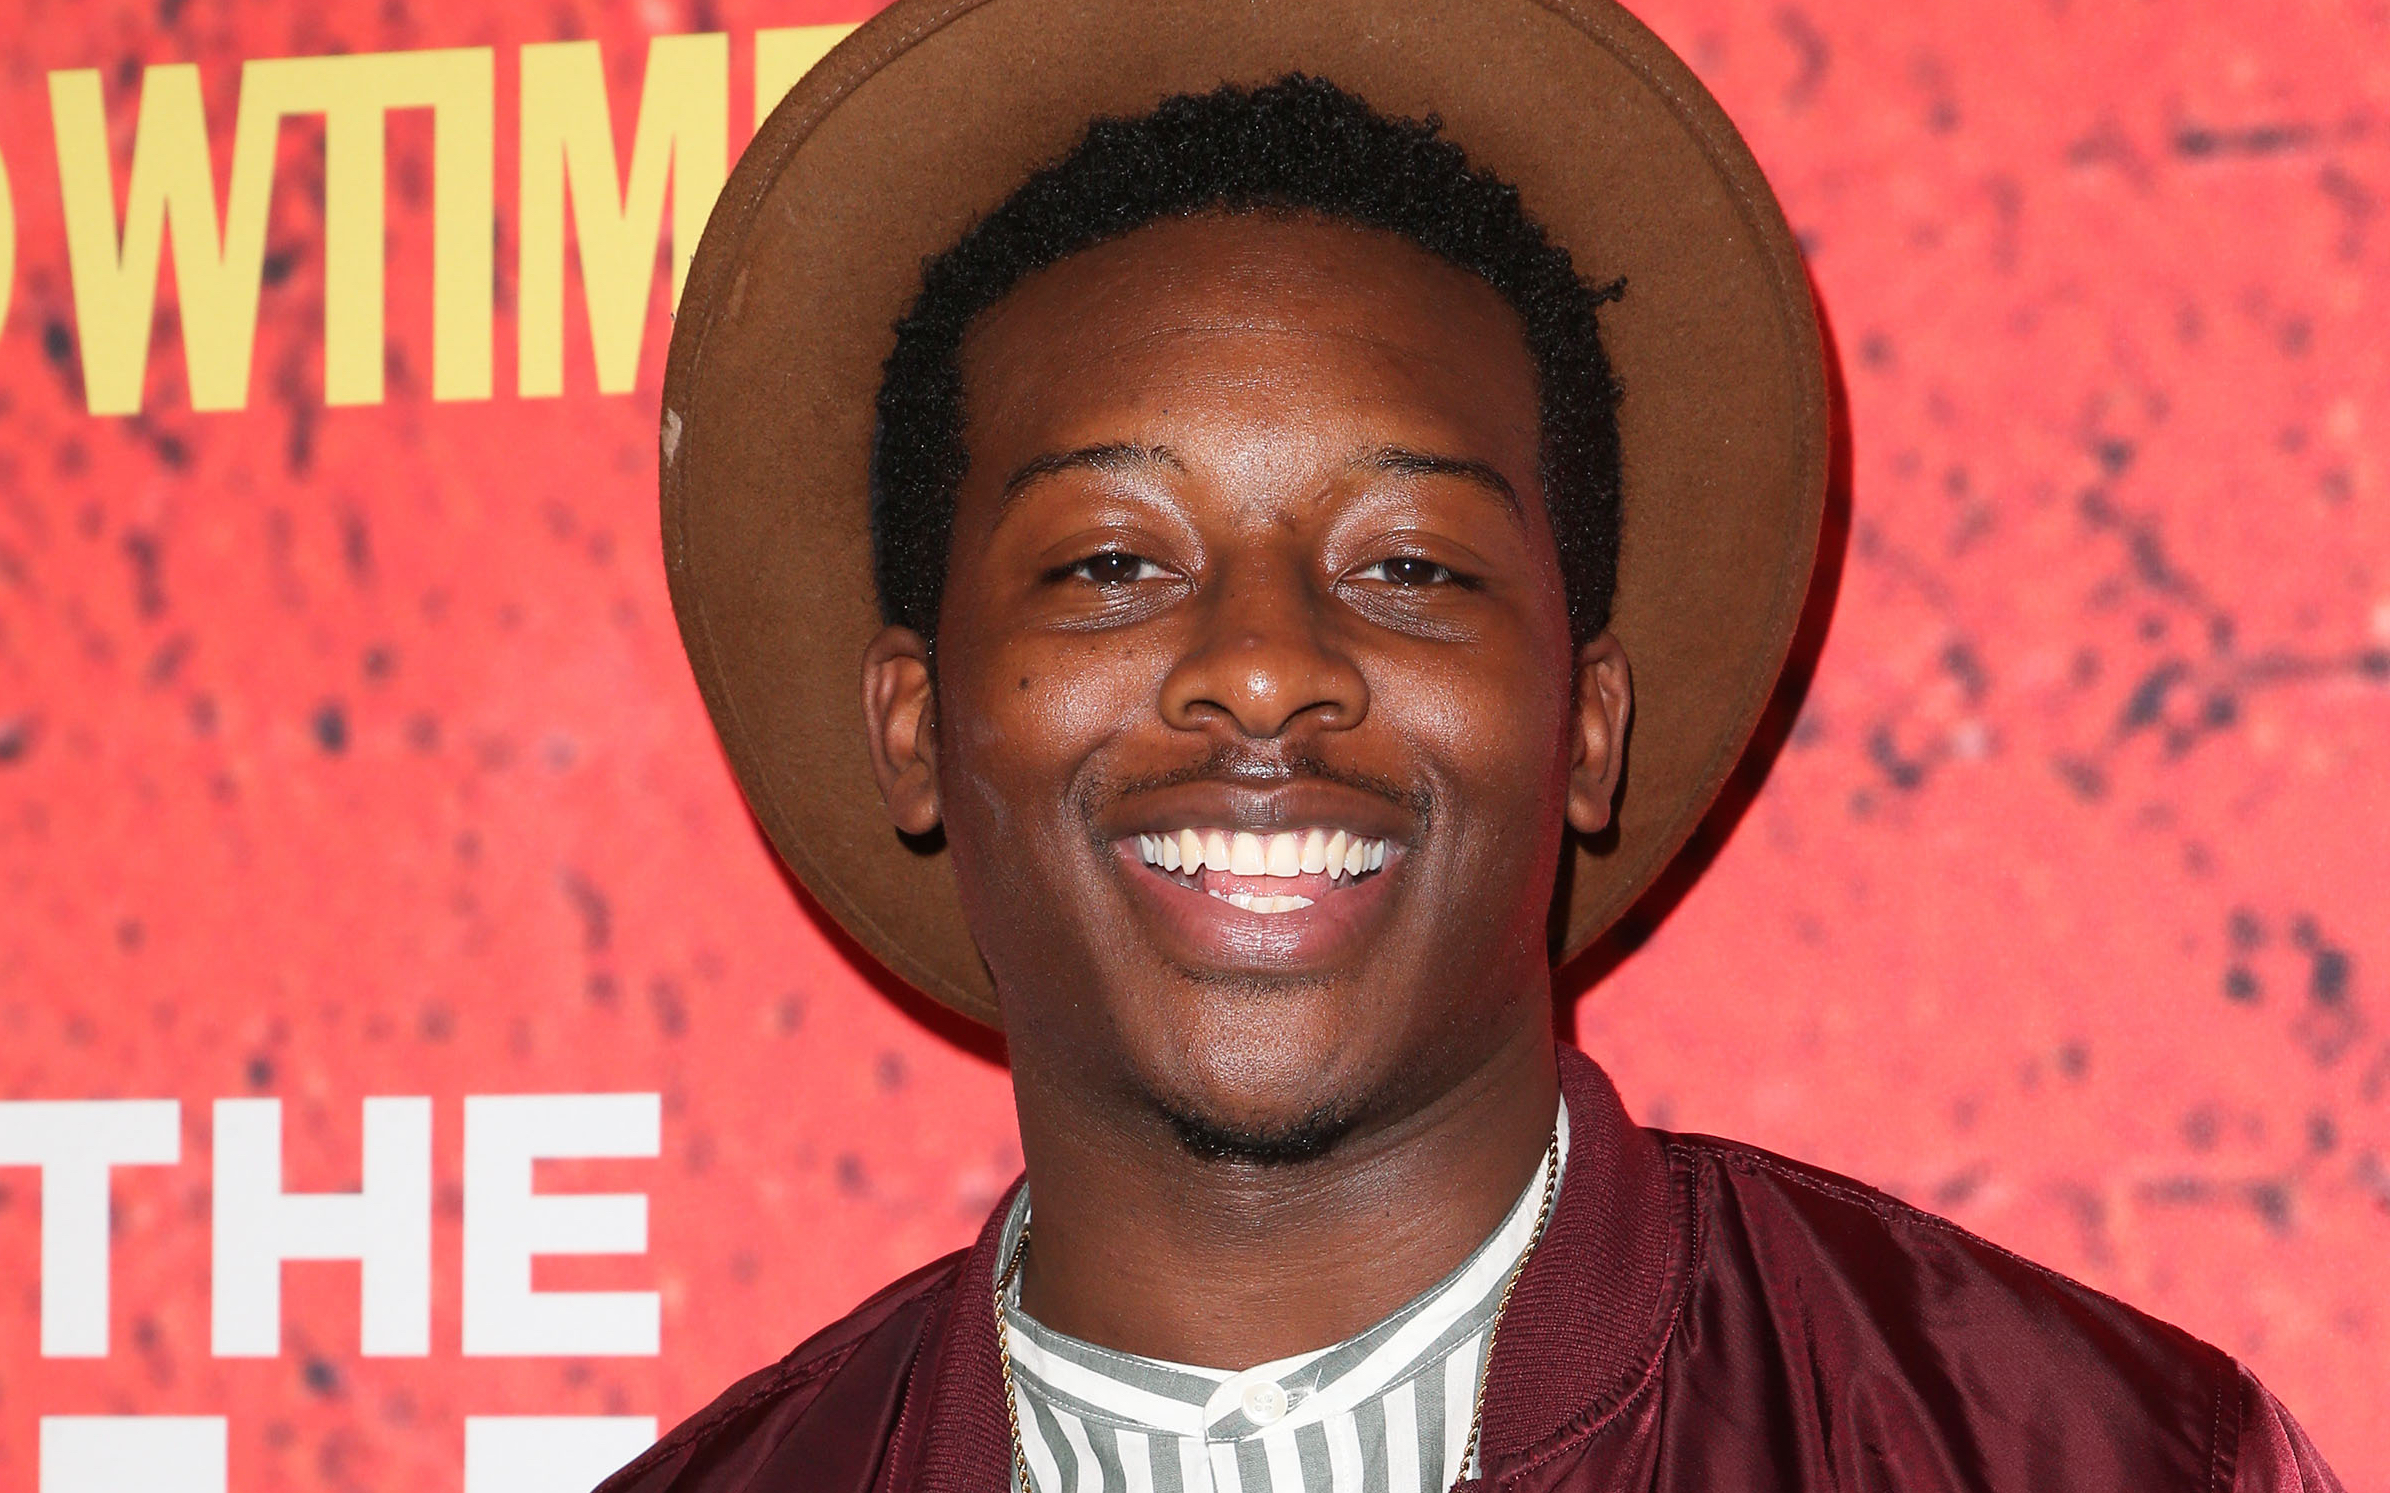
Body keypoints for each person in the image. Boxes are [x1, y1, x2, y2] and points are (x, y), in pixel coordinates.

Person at [606, 1, 2343, 1489]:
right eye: (1112, 562)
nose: (1265, 670)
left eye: (1413, 567)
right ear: (917, 727)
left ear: (1585, 724)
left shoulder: (2081, 1454)